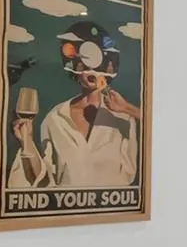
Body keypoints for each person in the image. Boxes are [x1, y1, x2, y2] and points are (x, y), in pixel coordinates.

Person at [9, 20, 140, 188]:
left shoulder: (124, 118)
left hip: (112, 205)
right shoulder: (55, 119)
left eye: (95, 61)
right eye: (83, 61)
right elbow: (45, 181)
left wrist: (127, 108)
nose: (90, 69)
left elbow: (165, 133)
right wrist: (26, 142)